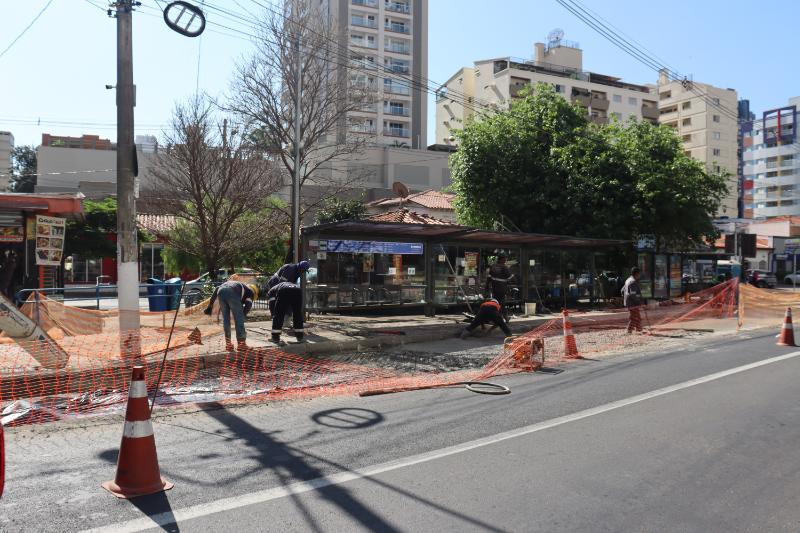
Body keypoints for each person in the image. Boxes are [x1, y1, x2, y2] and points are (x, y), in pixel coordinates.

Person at [204, 280, 257, 350]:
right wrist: (242, 315)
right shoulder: (250, 293)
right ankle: (241, 344)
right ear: (255, 292)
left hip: (221, 291)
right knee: (239, 318)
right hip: (232, 291)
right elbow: (248, 306)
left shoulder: (239, 286)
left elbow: (217, 288)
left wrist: (210, 305)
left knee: (226, 319)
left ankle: (228, 344)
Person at [622, 267, 643, 333]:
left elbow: (622, 290)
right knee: (634, 317)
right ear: (637, 274)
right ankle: (629, 329)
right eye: (640, 274)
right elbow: (633, 294)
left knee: (637, 316)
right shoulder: (633, 282)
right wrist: (638, 302)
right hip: (633, 303)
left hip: (629, 302)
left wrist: (625, 297)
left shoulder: (628, 280)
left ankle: (638, 329)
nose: (640, 275)